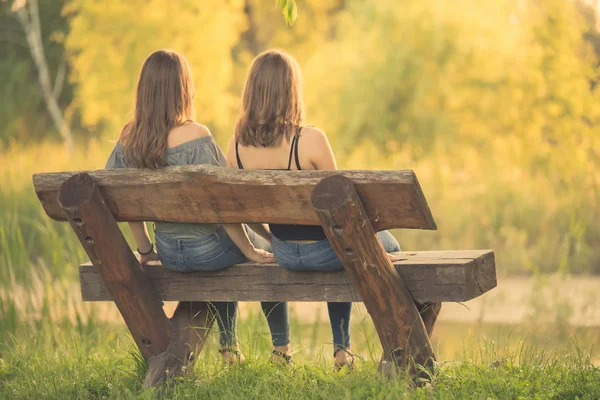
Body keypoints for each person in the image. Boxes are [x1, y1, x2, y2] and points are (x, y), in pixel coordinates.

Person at [105, 49, 290, 364]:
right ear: (181, 89)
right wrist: (251, 249)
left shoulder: (129, 141)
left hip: (169, 252)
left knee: (231, 246)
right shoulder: (198, 136)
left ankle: (230, 349)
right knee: (260, 249)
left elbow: (123, 202)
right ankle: (280, 350)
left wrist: (145, 249)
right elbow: (226, 204)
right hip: (206, 251)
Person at [228, 49, 401, 369]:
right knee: (382, 244)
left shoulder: (237, 146)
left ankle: (281, 350)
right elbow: (342, 212)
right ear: (291, 91)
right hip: (326, 251)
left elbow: (238, 209)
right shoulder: (310, 140)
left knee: (336, 242)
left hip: (283, 253)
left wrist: (268, 237)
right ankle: (349, 350)